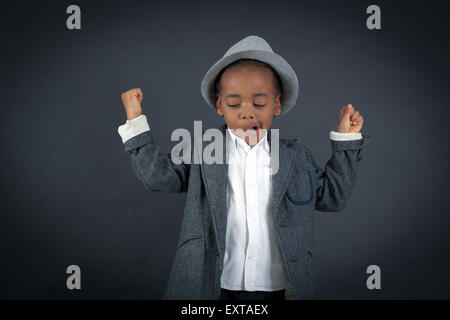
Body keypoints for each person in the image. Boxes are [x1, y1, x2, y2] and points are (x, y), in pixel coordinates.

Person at [117, 35, 372, 300]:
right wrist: (135, 120)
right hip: (212, 286)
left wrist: (347, 140)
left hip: (279, 289)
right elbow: (156, 175)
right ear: (219, 106)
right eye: (234, 103)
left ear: (276, 105)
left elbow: (332, 197)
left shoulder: (296, 158)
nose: (247, 112)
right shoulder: (202, 152)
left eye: (259, 103)